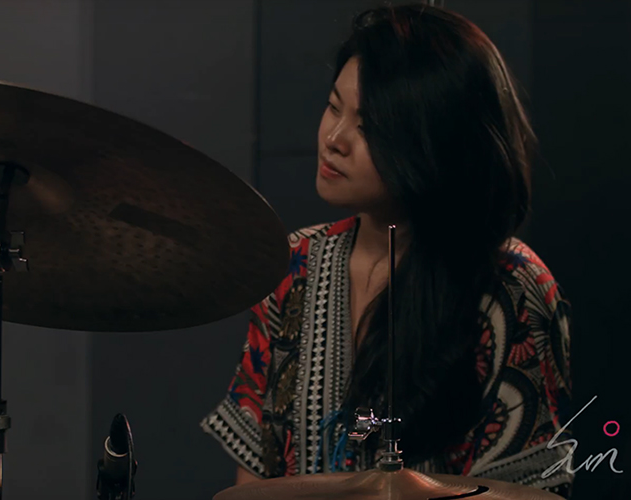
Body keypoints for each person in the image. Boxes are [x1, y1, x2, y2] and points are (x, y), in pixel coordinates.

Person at [200, 3, 574, 498]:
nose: (333, 140)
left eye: (369, 128)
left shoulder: (509, 286)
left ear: (432, 143)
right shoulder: (294, 264)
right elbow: (255, 483)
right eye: (334, 107)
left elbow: (524, 489)